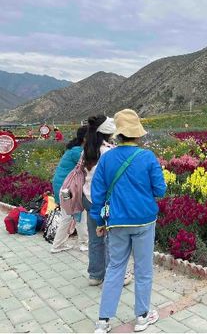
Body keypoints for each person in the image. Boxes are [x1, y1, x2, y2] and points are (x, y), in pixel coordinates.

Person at [91, 109, 166, 333]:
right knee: (143, 270)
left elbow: (98, 194)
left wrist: (100, 221)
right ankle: (142, 317)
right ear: (138, 134)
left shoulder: (107, 158)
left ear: (118, 134)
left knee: (115, 268)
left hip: (116, 222)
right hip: (144, 221)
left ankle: (103, 322)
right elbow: (160, 190)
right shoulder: (147, 157)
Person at [82, 115, 128, 286]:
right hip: (104, 201)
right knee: (111, 239)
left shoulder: (87, 149)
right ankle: (115, 276)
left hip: (88, 198)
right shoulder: (109, 152)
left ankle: (95, 275)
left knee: (95, 239)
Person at [50, 126, 89, 253]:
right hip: (69, 188)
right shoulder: (77, 152)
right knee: (78, 213)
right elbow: (89, 167)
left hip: (62, 187)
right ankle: (84, 243)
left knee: (68, 215)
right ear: (85, 138)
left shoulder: (75, 149)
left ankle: (58, 245)